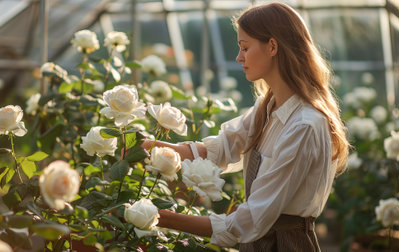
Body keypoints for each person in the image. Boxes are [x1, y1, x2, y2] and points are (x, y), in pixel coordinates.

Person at [141, 2, 350, 251]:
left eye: (245, 47)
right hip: (258, 242)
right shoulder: (267, 107)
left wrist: (155, 216)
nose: (239, 57)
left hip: (285, 244)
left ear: (273, 46)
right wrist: (144, 148)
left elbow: (249, 221)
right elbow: (221, 149)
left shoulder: (304, 125)